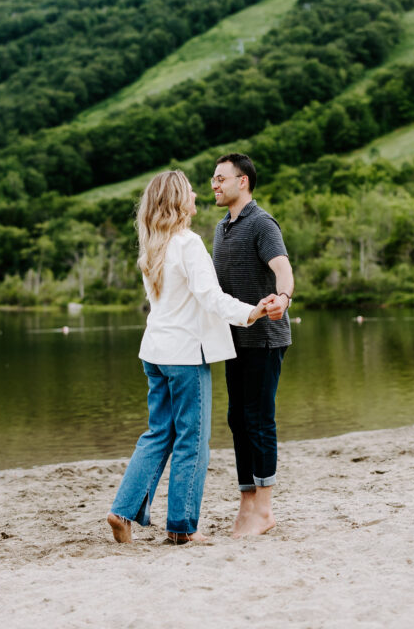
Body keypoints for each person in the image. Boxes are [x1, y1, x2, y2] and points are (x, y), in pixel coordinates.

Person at [107, 169, 268, 545]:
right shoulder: (188, 243)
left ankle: (123, 510)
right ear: (179, 200)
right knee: (192, 440)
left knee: (158, 432)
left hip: (155, 352)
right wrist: (252, 312)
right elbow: (211, 298)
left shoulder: (153, 244)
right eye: (191, 191)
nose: (197, 194)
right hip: (184, 356)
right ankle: (181, 528)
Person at [211, 152, 294, 537]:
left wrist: (284, 298)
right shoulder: (220, 228)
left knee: (259, 421)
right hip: (233, 339)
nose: (214, 184)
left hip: (264, 338)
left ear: (242, 181)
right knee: (237, 420)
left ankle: (265, 510)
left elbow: (283, 268)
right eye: (213, 178)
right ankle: (247, 503)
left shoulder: (262, 223)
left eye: (220, 178)